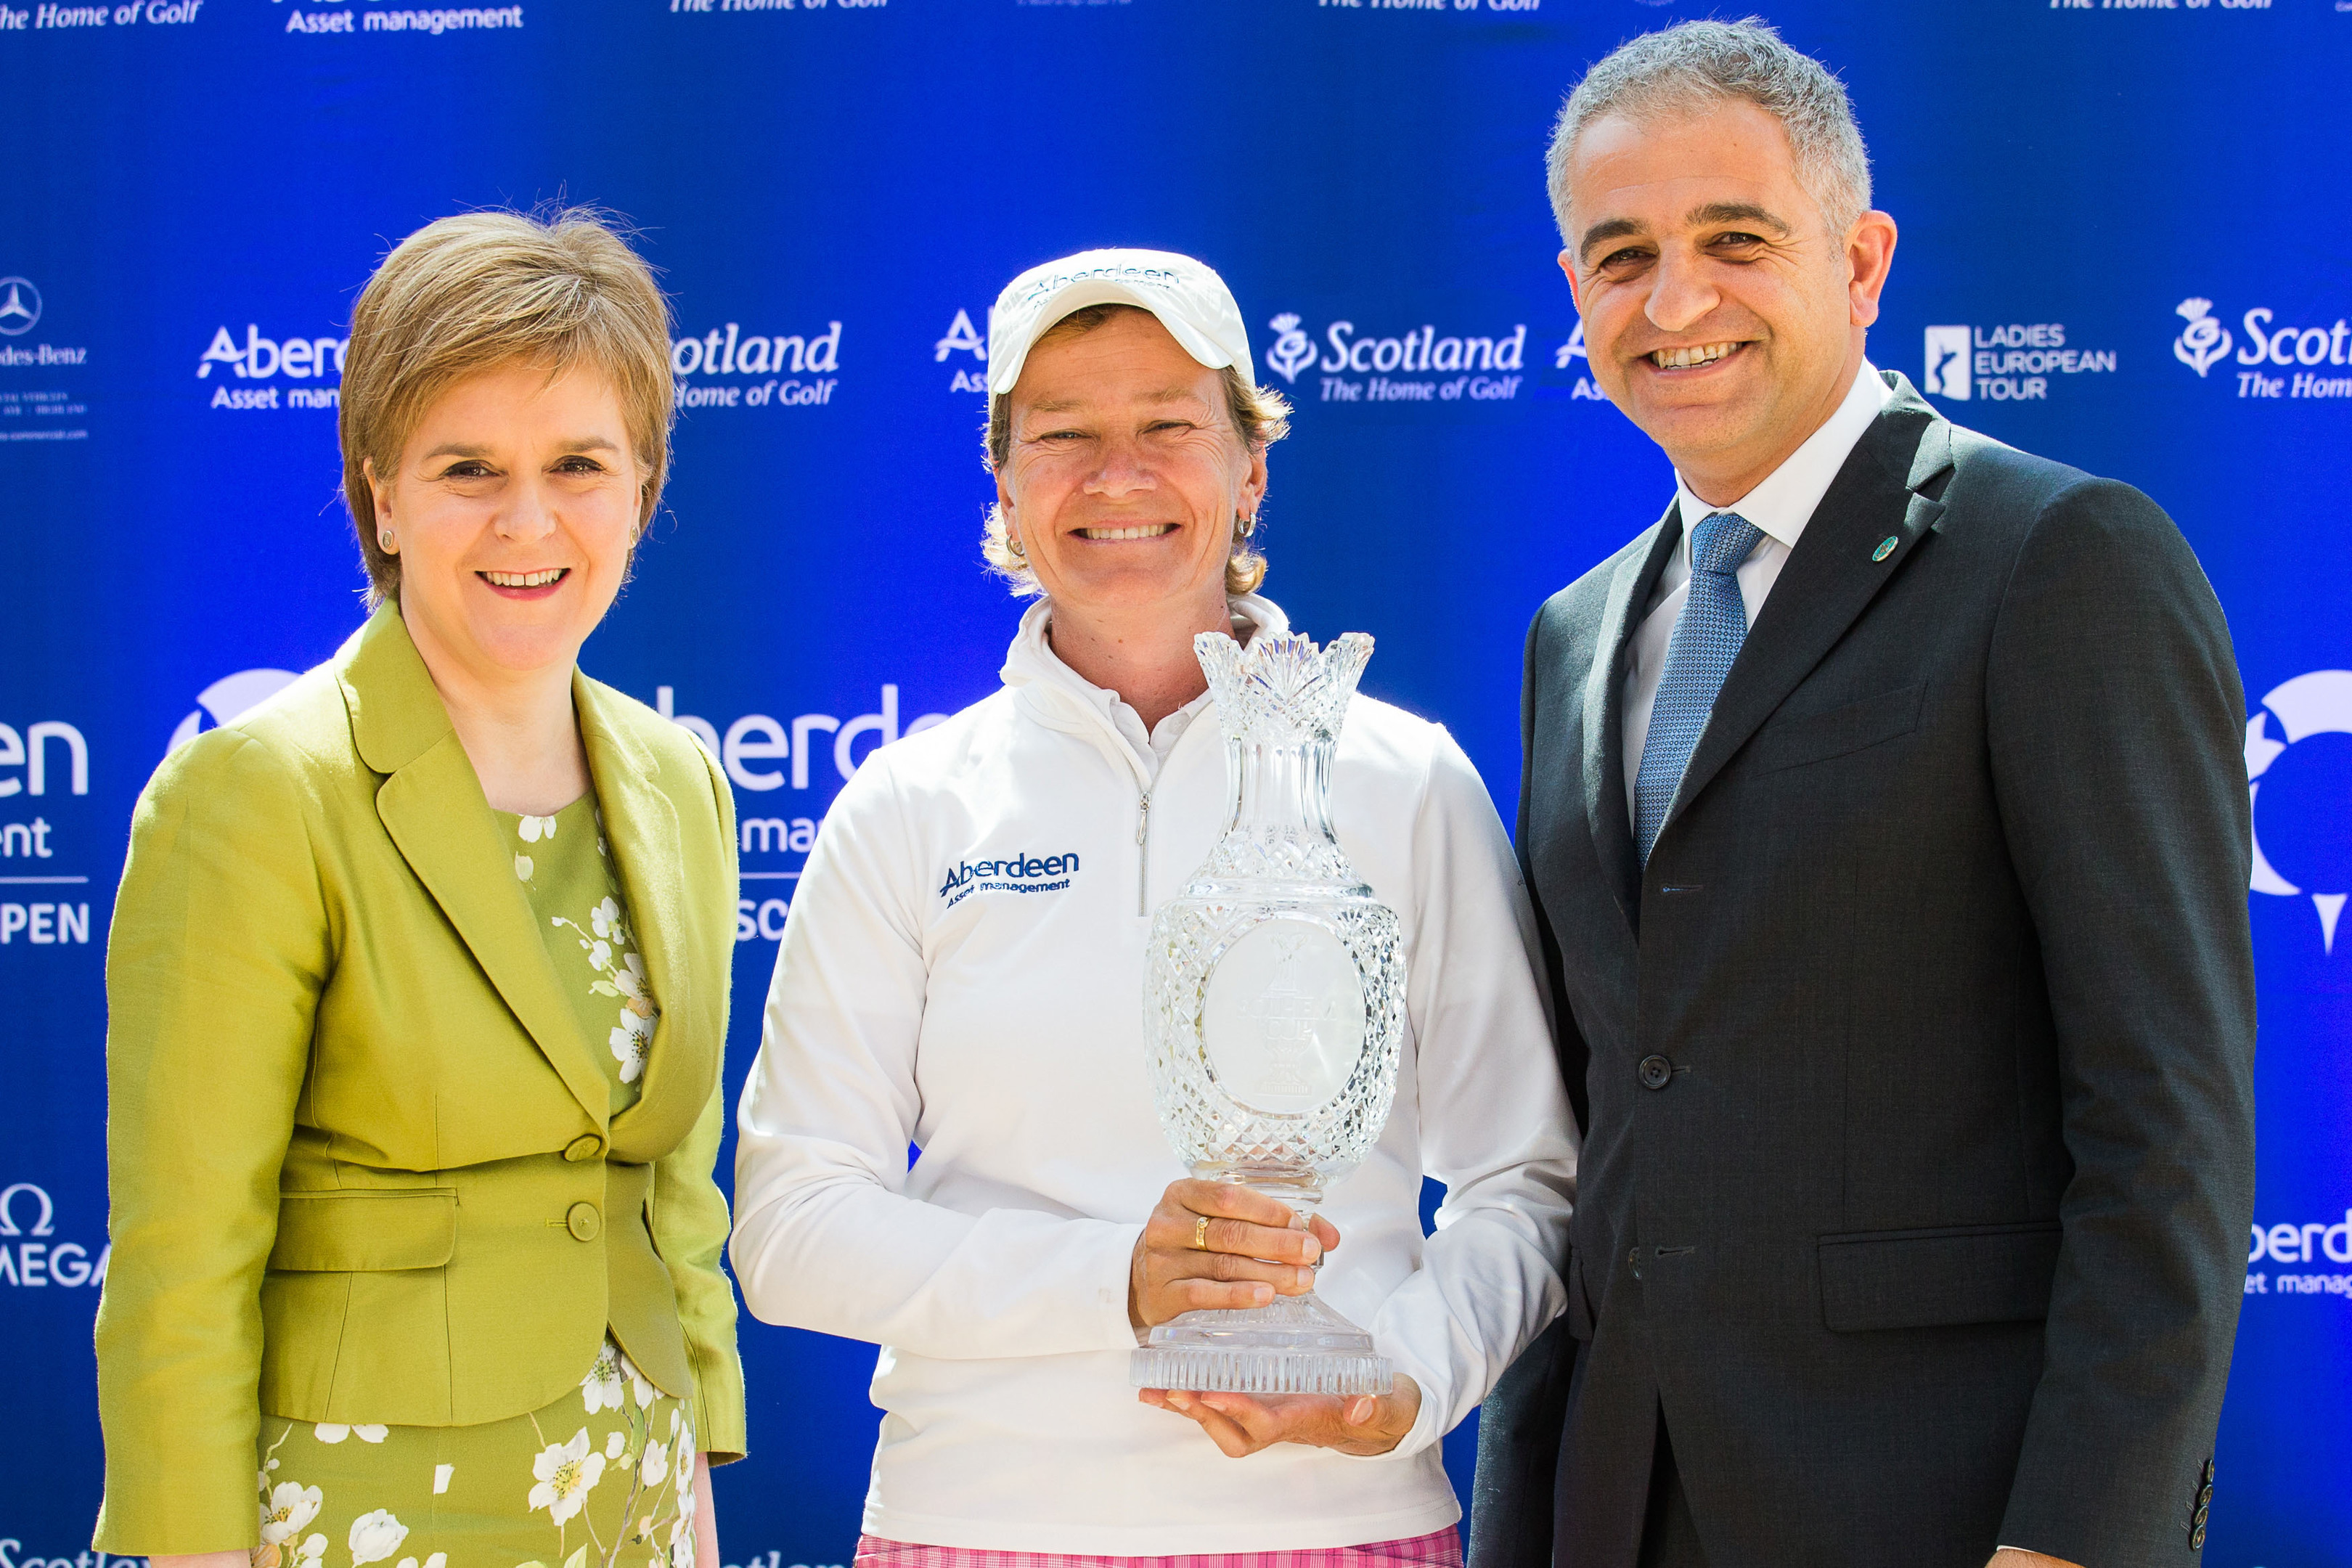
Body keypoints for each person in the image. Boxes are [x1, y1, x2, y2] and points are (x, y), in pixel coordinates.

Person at [1470, 21, 2258, 1568]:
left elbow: (2165, 1120)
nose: (1673, 300)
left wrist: (2080, 1540)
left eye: (1734, 240)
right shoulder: (1573, 630)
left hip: (1942, 1506)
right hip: (1614, 1497)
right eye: (1618, 254)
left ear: (1862, 257)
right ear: (1574, 291)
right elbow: (1606, 1119)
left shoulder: (2057, 560)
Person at [730, 248, 1578, 1564]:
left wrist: (1400, 1381)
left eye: (1169, 428)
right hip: (976, 1523)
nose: (1115, 478)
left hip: (1339, 1525)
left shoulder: (1402, 778)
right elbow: (790, 1228)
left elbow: (1523, 1179)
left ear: (1251, 467)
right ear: (1003, 486)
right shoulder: (908, 805)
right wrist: (1116, 1283)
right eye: (1063, 436)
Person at [93, 210, 746, 1568]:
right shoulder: (257, 797)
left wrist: (693, 1467)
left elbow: (673, 1194)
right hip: (361, 1513)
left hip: (628, 1497)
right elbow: (184, 1258)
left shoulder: (678, 778)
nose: (529, 519)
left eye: (579, 463)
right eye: (468, 468)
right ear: (382, 494)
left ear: (643, 488)